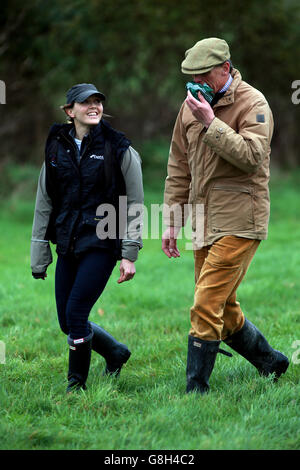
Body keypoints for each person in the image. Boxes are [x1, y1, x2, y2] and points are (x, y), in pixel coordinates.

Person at [162, 38, 289, 395]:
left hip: (240, 220)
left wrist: (210, 122)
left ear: (225, 68)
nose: (198, 81)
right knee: (224, 304)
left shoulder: (254, 103)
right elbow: (178, 165)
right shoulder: (190, 107)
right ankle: (271, 362)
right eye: (192, 75)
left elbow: (252, 156)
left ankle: (195, 390)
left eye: (204, 74)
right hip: (203, 220)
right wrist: (172, 220)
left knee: (205, 303)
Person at [31, 83, 144, 392]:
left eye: (98, 101)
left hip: (104, 240)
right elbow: (45, 201)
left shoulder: (120, 148)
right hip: (68, 240)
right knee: (66, 321)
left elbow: (135, 203)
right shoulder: (56, 146)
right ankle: (116, 353)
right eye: (86, 103)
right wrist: (39, 251)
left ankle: (75, 387)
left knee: (77, 313)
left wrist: (129, 253)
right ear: (70, 112)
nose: (94, 106)